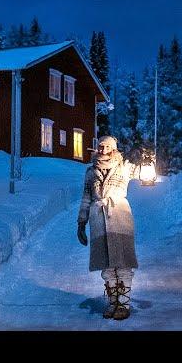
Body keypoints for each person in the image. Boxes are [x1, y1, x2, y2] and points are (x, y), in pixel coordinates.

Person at [77, 135, 141, 320]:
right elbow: (86, 198)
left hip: (119, 216)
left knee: (122, 262)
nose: (102, 150)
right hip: (98, 218)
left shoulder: (124, 168)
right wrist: (81, 223)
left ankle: (124, 304)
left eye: (106, 147)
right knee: (106, 265)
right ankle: (113, 302)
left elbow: (142, 172)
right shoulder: (90, 172)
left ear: (114, 148)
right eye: (100, 147)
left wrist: (147, 163)